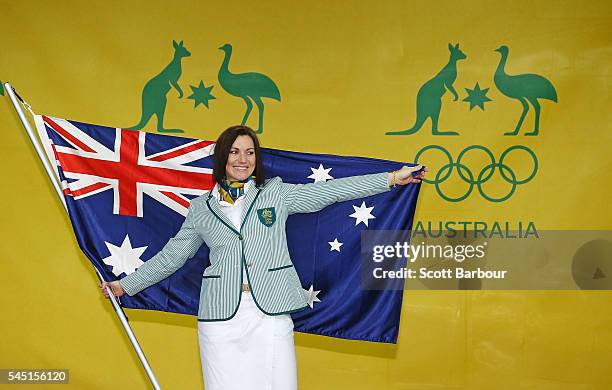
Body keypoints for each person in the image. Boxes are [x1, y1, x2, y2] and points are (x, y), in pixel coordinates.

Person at [100, 125, 427, 389]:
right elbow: (172, 257)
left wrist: (391, 179)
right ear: (222, 157)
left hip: (269, 314)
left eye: (250, 152)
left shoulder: (275, 193)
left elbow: (330, 191)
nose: (242, 159)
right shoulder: (201, 208)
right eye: (234, 151)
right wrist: (125, 286)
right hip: (220, 319)